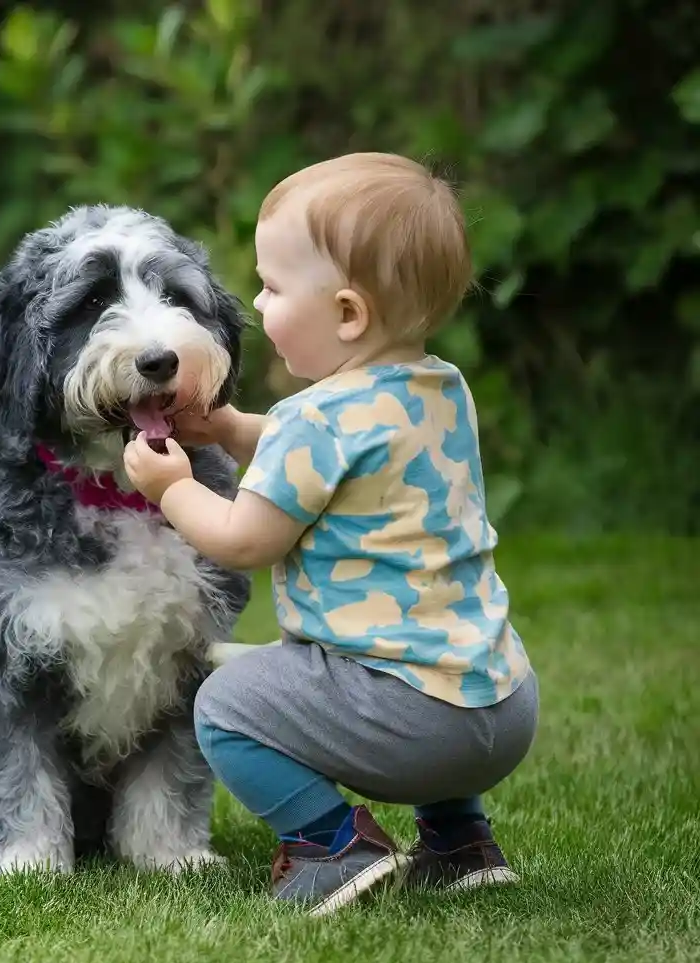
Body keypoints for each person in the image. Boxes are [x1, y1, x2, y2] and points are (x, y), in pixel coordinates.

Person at [123, 152, 538, 916]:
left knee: (226, 703)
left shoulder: (317, 421)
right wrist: (226, 431)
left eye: (273, 288)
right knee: (404, 663)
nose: (255, 300)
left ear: (347, 313)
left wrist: (174, 486)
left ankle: (334, 846)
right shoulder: (439, 389)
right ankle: (459, 842)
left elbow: (247, 538)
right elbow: (319, 461)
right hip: (500, 702)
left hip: (410, 723)